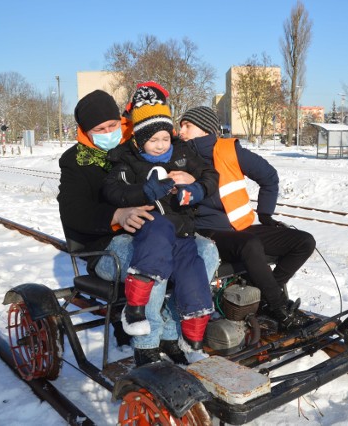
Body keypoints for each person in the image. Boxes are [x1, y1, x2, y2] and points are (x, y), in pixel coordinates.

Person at [57, 90, 219, 364]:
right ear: (85, 131)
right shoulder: (75, 161)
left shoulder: (139, 145)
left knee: (207, 252)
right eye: (100, 129)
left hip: (161, 231)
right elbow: (72, 212)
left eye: (113, 126)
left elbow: (199, 170)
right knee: (150, 262)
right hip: (107, 245)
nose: (109, 132)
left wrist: (191, 179)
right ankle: (146, 344)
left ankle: (170, 331)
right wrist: (116, 214)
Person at [102, 81, 216, 365]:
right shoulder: (127, 160)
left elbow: (208, 175)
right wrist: (144, 192)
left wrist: (198, 188)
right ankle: (145, 337)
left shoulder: (183, 152)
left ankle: (186, 331)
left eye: (165, 139)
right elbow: (112, 191)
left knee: (194, 266)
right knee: (157, 256)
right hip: (149, 227)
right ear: (139, 141)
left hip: (182, 229)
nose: (162, 145)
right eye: (154, 141)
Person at [178, 106, 317, 331]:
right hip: (206, 233)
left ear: (205, 130)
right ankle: (280, 308)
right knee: (249, 245)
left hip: (240, 228)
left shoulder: (230, 151)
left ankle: (261, 298)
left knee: (304, 241)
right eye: (181, 125)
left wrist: (265, 214)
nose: (180, 131)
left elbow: (269, 177)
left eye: (187, 126)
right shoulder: (177, 156)